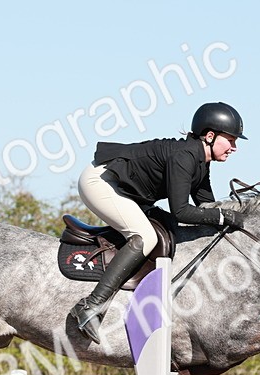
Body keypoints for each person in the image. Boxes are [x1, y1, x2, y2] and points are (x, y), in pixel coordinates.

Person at [68, 101, 250, 344]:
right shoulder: (185, 156)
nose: (234, 147)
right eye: (231, 140)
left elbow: (206, 206)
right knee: (145, 237)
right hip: (100, 181)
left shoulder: (200, 161)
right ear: (210, 136)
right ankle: (91, 306)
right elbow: (182, 211)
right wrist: (222, 216)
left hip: (125, 190)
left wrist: (238, 215)